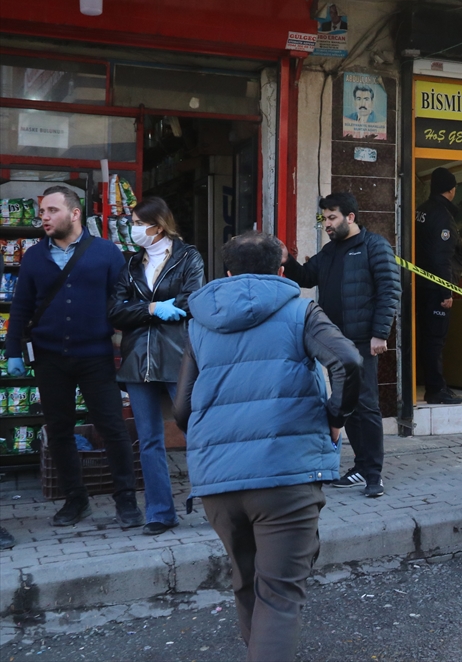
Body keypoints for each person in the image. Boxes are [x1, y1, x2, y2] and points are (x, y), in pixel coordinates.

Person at [175, 233, 362, 662]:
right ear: (280, 271)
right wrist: (335, 420)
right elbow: (348, 362)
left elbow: (183, 409)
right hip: (284, 475)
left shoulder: (200, 320)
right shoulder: (300, 310)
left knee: (246, 584)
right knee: (278, 595)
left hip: (218, 481)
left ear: (226, 273)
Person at [4, 186, 142, 529]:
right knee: (60, 429)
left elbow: (121, 303)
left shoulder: (107, 253)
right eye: (42, 212)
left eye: (52, 210)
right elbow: (21, 306)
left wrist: (126, 346)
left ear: (75, 213)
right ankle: (75, 499)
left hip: (95, 355)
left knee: (112, 427)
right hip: (50, 358)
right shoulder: (34, 256)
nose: (44, 218)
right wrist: (13, 351)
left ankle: (125, 498)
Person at [283, 193, 399, 498]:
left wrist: (380, 333)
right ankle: (360, 466)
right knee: (346, 405)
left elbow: (390, 290)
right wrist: (287, 261)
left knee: (367, 405)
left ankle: (373, 474)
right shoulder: (329, 251)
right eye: (324, 219)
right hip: (335, 342)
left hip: (363, 340)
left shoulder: (375, 246)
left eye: (332, 218)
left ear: (350, 217)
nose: (327, 224)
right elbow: (307, 278)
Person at [108, 196, 205, 535]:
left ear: (157, 225)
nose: (133, 229)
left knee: (198, 431)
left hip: (179, 356)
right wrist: (151, 310)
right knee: (148, 440)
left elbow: (193, 299)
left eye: (137, 223)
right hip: (137, 360)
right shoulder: (132, 264)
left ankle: (215, 501)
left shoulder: (188, 257)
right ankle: (160, 512)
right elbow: (115, 311)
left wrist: (147, 307)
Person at [414, 168, 462, 405]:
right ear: (452, 190)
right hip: (435, 288)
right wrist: (446, 290)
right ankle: (436, 389)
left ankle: (433, 385)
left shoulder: (421, 211)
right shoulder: (442, 215)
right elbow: (440, 257)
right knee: (435, 339)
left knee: (427, 337)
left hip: (420, 284)